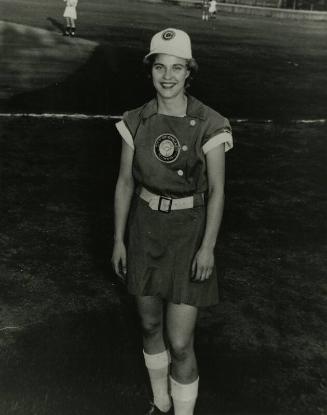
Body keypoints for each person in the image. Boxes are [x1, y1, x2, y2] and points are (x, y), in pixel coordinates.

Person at [112, 28, 233, 415]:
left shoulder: (210, 123)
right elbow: (125, 182)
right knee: (149, 327)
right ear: (150, 70)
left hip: (189, 234)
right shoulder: (136, 120)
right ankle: (161, 403)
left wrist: (208, 247)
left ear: (188, 72)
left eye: (177, 68)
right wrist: (118, 240)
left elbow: (217, 191)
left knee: (180, 342)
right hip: (144, 230)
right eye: (160, 67)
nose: (168, 76)